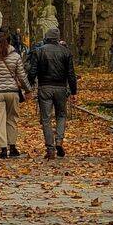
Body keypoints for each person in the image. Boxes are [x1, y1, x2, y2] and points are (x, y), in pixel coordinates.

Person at [28, 24, 78, 160]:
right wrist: (73, 91)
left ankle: (50, 148)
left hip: (44, 87)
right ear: (58, 38)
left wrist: (29, 86)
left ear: (46, 38)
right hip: (61, 87)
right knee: (61, 115)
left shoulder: (39, 51)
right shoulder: (66, 52)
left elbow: (32, 71)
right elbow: (71, 74)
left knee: (46, 119)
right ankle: (59, 140)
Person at [0, 30, 31, 159]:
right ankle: (13, 146)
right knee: (12, 119)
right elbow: (22, 76)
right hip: (13, 92)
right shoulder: (16, 56)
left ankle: (3, 148)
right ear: (10, 42)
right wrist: (28, 90)